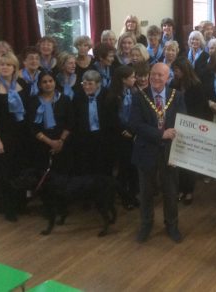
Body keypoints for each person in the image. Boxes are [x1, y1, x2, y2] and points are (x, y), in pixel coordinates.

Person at [130, 63, 186, 243]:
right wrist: (161, 134)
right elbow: (135, 125)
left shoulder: (177, 96)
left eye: (160, 75)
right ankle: (146, 225)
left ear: (168, 78)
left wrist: (172, 134)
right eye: (153, 74)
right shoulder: (139, 97)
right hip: (146, 151)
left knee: (170, 191)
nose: (155, 78)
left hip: (170, 151)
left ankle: (172, 226)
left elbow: (183, 121)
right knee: (146, 192)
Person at [0, 52, 31, 222]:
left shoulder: (22, 84)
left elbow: (28, 110)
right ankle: (8, 207)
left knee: (21, 171)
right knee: (6, 173)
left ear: (14, 67)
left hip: (21, 135)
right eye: (1, 65)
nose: (4, 67)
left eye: (8, 65)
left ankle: (21, 204)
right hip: (2, 135)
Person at [170, 57, 208, 205]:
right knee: (178, 159)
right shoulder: (174, 84)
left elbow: (201, 108)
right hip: (177, 125)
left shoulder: (196, 85)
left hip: (192, 125)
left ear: (184, 70)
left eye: (177, 70)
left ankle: (189, 191)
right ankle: (180, 188)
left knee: (189, 160)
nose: (175, 73)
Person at [71, 70, 118, 177]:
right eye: (84, 83)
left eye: (90, 84)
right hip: (85, 138)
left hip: (104, 137)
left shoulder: (109, 96)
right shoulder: (78, 96)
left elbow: (113, 121)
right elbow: (76, 119)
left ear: (98, 84)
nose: (87, 87)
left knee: (104, 168)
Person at [26, 71, 73, 174]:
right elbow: (32, 127)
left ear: (55, 82)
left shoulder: (65, 99)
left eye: (51, 81)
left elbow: (69, 123)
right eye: (44, 82)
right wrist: (51, 142)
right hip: (41, 143)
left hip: (62, 142)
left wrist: (60, 141)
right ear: (39, 85)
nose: (48, 84)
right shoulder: (33, 101)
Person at [109, 65, 139, 210]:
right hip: (119, 136)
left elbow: (136, 113)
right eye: (132, 77)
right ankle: (124, 196)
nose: (135, 79)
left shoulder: (133, 92)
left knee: (133, 167)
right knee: (123, 168)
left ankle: (133, 195)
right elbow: (112, 118)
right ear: (123, 79)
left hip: (132, 134)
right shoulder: (113, 96)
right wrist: (123, 131)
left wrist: (132, 130)